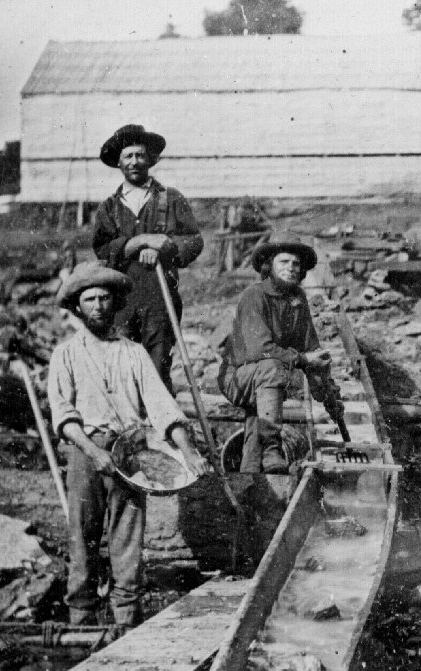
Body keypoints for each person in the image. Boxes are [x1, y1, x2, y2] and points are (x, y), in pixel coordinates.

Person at [48, 262, 211, 628]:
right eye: (90, 299)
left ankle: (126, 622)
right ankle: (81, 619)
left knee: (127, 541)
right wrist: (94, 453)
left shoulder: (133, 353)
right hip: (85, 451)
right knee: (83, 537)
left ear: (116, 303)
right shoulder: (66, 354)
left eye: (105, 298)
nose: (98, 306)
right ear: (77, 307)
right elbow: (63, 413)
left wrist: (187, 450)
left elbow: (161, 407)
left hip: (129, 454)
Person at [93, 124, 204, 390]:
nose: (134, 162)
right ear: (119, 163)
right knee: (121, 367)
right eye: (128, 156)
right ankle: (129, 428)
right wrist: (139, 241)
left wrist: (164, 247)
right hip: (121, 301)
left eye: (140, 155)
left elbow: (194, 240)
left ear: (150, 160)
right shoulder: (109, 207)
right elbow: (102, 249)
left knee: (157, 369)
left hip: (160, 297)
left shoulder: (171, 198)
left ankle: (161, 427)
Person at [217, 241, 340, 475]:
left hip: (265, 380)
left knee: (258, 419)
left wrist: (329, 394)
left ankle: (250, 476)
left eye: (296, 264)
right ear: (269, 266)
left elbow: (312, 349)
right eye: (284, 262)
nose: (291, 267)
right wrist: (303, 360)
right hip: (237, 376)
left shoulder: (297, 299)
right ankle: (272, 449)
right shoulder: (254, 296)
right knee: (272, 368)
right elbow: (260, 350)